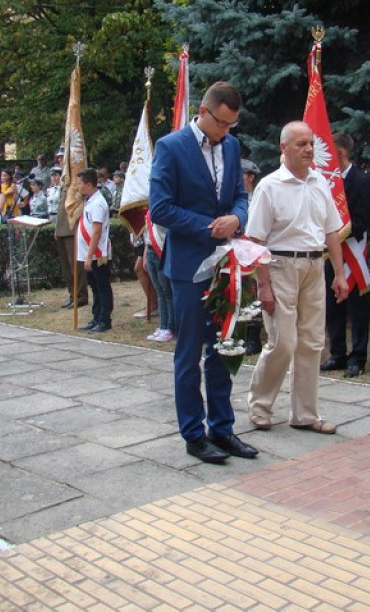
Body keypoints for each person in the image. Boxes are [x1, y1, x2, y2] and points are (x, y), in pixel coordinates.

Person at [150, 81, 257, 464]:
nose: (226, 132)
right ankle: (194, 435)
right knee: (189, 352)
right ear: (204, 111)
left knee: (224, 348)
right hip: (188, 267)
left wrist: (237, 218)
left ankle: (223, 430)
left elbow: (240, 196)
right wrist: (210, 225)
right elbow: (160, 208)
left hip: (226, 264)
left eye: (232, 125)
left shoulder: (230, 146)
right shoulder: (171, 146)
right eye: (222, 123)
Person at [246, 122, 348, 435]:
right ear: (284, 148)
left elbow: (331, 231)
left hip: (315, 268)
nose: (307, 149)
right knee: (283, 342)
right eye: (300, 144)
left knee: (313, 342)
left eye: (310, 144)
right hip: (280, 267)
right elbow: (255, 242)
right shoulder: (269, 186)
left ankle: (305, 414)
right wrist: (262, 284)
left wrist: (340, 274)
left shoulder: (319, 182)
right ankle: (260, 406)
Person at [319, 133, 370, 378]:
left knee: (358, 307)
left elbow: (363, 219)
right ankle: (338, 353)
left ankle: (358, 356)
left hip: (352, 251)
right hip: (330, 252)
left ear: (340, 152)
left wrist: (336, 235)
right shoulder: (324, 181)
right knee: (333, 304)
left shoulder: (361, 180)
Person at [75, 168, 113, 333]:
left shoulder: (98, 203)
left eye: (79, 184)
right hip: (88, 253)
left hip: (98, 253)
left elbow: (96, 231)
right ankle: (96, 316)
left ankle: (105, 319)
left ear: (89, 184)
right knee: (95, 287)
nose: (78, 187)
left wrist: (90, 256)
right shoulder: (89, 200)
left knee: (102, 287)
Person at [54, 162, 89, 310]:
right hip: (62, 228)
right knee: (66, 267)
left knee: (76, 265)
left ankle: (80, 296)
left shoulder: (77, 182)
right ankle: (72, 294)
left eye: (64, 158)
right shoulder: (65, 182)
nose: (62, 161)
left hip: (72, 229)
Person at [240, 159, 264, 356]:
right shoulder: (233, 198)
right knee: (238, 293)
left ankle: (253, 337)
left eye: (241, 175)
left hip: (254, 252)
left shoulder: (259, 197)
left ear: (250, 177)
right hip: (236, 252)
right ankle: (238, 332)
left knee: (253, 295)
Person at [143, 211, 174, 343]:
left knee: (167, 292)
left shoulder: (164, 210)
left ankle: (171, 327)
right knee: (159, 291)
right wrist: (145, 255)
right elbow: (147, 233)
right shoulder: (150, 211)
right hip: (150, 250)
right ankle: (162, 326)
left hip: (161, 251)